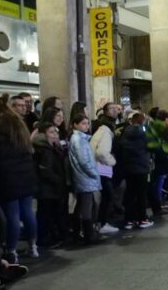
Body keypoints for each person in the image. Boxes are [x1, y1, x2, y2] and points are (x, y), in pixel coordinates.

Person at [0, 97, 39, 264]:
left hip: (5, 177)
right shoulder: (18, 124)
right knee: (27, 213)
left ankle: (11, 250)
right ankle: (33, 246)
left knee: (12, 215)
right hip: (26, 175)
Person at [33, 122, 69, 246]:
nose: (55, 135)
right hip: (48, 189)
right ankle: (46, 239)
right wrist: (59, 180)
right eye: (51, 132)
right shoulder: (45, 149)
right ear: (43, 134)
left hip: (52, 188)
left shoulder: (52, 147)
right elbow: (45, 170)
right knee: (47, 215)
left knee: (48, 214)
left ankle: (49, 238)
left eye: (56, 132)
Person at [68, 114, 102, 244]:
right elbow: (84, 161)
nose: (86, 126)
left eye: (87, 123)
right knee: (86, 206)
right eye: (83, 123)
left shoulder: (80, 139)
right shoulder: (78, 140)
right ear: (75, 125)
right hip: (84, 177)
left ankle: (78, 233)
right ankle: (89, 234)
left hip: (82, 177)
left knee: (81, 205)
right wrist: (94, 173)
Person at [117, 113, 153, 230]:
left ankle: (129, 220)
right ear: (142, 121)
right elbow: (151, 146)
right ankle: (142, 219)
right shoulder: (144, 133)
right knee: (141, 194)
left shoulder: (125, 132)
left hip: (128, 167)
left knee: (130, 194)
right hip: (141, 167)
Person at [90, 103, 120, 235]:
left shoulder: (104, 128)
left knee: (106, 196)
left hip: (99, 167)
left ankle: (100, 223)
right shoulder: (105, 131)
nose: (115, 111)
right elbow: (102, 152)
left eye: (116, 108)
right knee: (107, 196)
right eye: (112, 109)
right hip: (102, 167)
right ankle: (101, 223)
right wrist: (112, 161)